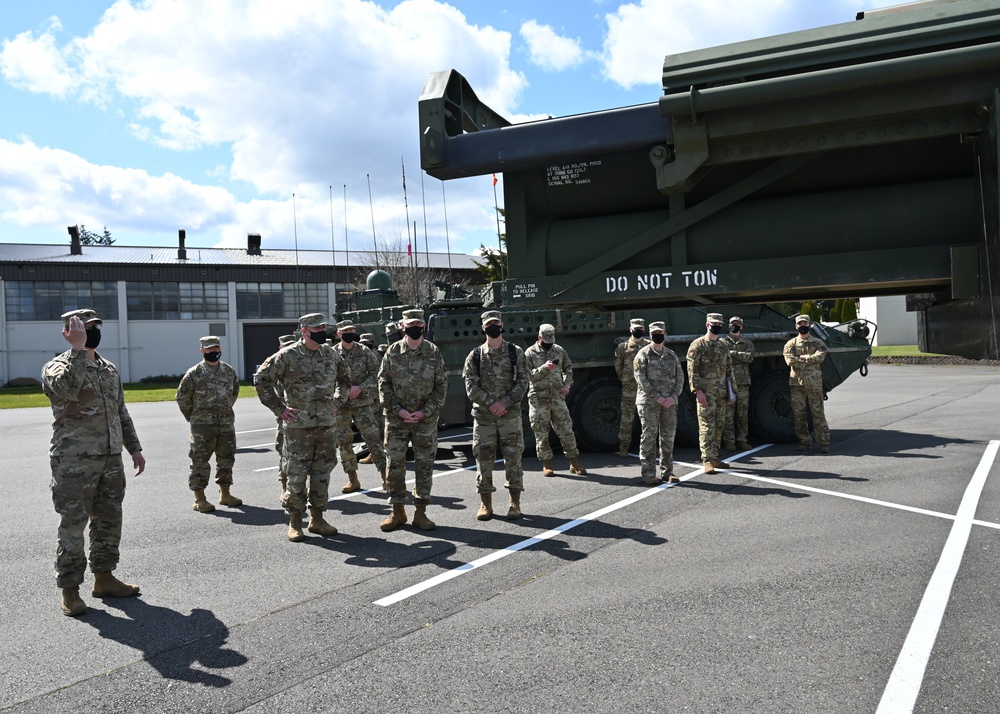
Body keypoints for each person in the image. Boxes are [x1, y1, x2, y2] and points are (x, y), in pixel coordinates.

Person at [42, 309, 146, 617]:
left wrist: (135, 448)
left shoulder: (108, 368)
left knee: (109, 521)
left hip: (110, 459)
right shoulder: (57, 366)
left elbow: (120, 412)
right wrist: (76, 351)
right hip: (74, 461)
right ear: (70, 331)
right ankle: (70, 591)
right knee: (73, 525)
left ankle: (104, 578)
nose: (94, 332)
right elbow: (64, 390)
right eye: (87, 328)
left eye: (96, 326)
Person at [254, 313, 350, 542]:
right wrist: (279, 408)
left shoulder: (331, 354)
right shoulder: (287, 356)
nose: (322, 331)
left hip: (326, 424)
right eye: (317, 328)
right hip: (298, 427)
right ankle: (295, 522)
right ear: (305, 331)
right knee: (296, 474)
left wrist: (338, 400)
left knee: (322, 472)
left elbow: (345, 379)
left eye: (324, 327)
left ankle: (317, 520)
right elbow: (261, 379)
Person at [377, 309, 448, 531]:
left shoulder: (433, 352)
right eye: (411, 324)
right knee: (395, 466)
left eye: (418, 323)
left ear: (424, 327)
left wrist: (425, 411)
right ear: (402, 326)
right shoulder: (392, 352)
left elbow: (441, 386)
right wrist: (398, 410)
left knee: (424, 466)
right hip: (397, 420)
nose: (415, 327)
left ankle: (421, 513)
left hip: (424, 421)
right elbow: (383, 385)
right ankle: (397, 511)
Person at [463, 310, 529, 520]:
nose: (493, 326)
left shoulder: (514, 352)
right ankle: (485, 504)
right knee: (484, 460)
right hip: (484, 418)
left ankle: (514, 504)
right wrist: (493, 404)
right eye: (489, 323)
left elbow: (523, 382)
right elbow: (470, 386)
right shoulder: (474, 355)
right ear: (483, 327)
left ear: (502, 325)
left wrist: (505, 403)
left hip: (509, 416)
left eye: (496, 323)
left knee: (513, 459)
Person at [176, 335, 242, 513]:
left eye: (216, 348)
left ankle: (225, 494)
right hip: (202, 427)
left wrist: (224, 410)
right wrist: (194, 417)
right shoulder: (195, 373)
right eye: (209, 348)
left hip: (226, 424)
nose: (214, 351)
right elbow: (182, 397)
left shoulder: (228, 371)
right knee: (200, 461)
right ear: (202, 350)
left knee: (226, 460)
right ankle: (199, 498)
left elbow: (234, 392)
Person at [523, 323, 586, 477]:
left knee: (566, 431)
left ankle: (574, 463)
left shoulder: (559, 350)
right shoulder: (530, 353)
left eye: (551, 339)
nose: (549, 343)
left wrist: (567, 385)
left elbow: (568, 369)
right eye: (546, 339)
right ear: (539, 337)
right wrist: (545, 368)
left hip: (557, 397)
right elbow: (527, 376)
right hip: (539, 399)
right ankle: (547, 465)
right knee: (541, 433)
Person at [332, 320, 387, 493]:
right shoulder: (331, 353)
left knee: (373, 440)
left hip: (362, 403)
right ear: (339, 334)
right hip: (341, 405)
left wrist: (360, 387)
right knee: (344, 443)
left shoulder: (364, 351)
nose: (350, 332)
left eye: (352, 329)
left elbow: (377, 374)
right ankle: (353, 480)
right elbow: (326, 378)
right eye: (345, 330)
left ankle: (386, 478)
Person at [633, 321, 684, 485]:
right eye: (655, 332)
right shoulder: (643, 354)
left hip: (669, 403)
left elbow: (680, 378)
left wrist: (673, 397)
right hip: (649, 403)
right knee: (649, 436)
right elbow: (640, 379)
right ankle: (648, 473)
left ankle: (667, 472)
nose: (658, 335)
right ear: (650, 335)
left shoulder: (671, 355)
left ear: (665, 334)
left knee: (668, 437)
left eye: (661, 332)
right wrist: (657, 397)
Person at [687, 312, 736, 474]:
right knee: (706, 426)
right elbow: (692, 370)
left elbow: (729, 370)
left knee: (719, 426)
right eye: (713, 324)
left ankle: (715, 456)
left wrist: (732, 392)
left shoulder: (723, 345)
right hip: (706, 394)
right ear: (707, 325)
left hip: (721, 392)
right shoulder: (698, 345)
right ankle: (707, 460)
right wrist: (698, 390)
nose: (716, 326)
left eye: (719, 324)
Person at [783, 314, 831, 452]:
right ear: (796, 326)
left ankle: (824, 443)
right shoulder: (790, 344)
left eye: (805, 323)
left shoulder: (818, 343)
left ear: (809, 325)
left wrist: (804, 358)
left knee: (818, 413)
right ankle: (805, 441)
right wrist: (810, 360)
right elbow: (789, 360)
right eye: (800, 324)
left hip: (814, 384)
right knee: (799, 414)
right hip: (797, 384)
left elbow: (821, 356)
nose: (802, 326)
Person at [614, 318, 650, 457]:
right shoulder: (623, 348)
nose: (638, 330)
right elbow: (619, 367)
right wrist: (626, 381)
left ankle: (648, 448)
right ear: (630, 329)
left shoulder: (648, 346)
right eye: (636, 328)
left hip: (646, 389)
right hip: (629, 389)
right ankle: (624, 448)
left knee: (648, 420)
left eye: (640, 328)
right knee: (626, 420)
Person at [722, 316, 756, 452]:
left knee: (742, 413)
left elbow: (750, 357)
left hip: (742, 382)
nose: (734, 326)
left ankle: (742, 440)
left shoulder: (747, 342)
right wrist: (738, 356)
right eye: (732, 324)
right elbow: (722, 358)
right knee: (728, 414)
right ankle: (729, 441)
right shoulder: (722, 342)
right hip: (728, 382)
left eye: (737, 324)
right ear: (728, 326)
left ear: (741, 326)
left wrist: (733, 353)